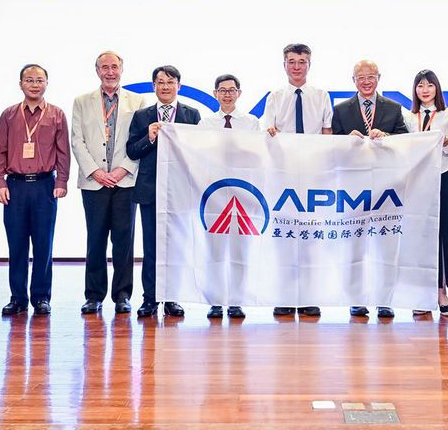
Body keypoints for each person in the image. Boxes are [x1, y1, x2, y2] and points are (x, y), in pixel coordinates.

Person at [71, 51, 147, 316]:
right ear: (97, 71)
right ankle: (93, 296)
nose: (110, 72)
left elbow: (140, 140)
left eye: (114, 66)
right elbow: (77, 140)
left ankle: (123, 295)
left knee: (124, 241)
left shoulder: (137, 100)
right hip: (94, 182)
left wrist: (122, 169)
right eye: (105, 67)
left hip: (125, 181)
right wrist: (96, 172)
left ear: (122, 69)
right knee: (95, 240)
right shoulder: (82, 101)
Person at [0, 64, 70, 316]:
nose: (34, 85)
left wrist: (62, 181)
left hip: (45, 186)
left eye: (39, 80)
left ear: (46, 83)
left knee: (43, 244)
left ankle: (41, 297)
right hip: (14, 187)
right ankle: (17, 298)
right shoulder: (8, 115)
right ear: (20, 84)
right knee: (16, 245)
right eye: (29, 80)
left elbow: (63, 152)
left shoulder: (56, 114)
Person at [332, 60, 408, 319]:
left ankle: (385, 299)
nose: (366, 81)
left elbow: (405, 141)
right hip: (353, 187)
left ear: (379, 77)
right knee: (354, 244)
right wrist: (346, 141)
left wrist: (387, 138)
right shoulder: (341, 110)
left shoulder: (393, 108)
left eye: (371, 76)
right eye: (360, 77)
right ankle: (355, 299)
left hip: (385, 185)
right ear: (353, 80)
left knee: (385, 244)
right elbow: (331, 147)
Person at [262, 42, 332, 317]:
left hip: (313, 175)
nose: (297, 66)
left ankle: (307, 297)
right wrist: (270, 134)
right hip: (284, 176)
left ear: (309, 65)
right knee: (285, 237)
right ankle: (285, 295)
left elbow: (327, 134)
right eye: (291, 61)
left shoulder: (321, 96)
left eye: (302, 61)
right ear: (284, 65)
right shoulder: (275, 97)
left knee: (310, 238)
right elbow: (267, 132)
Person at [126, 65, 201, 318]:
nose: (165, 87)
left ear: (179, 86)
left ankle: (172, 298)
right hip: (150, 190)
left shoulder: (192, 114)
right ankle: (150, 298)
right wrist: (149, 137)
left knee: (176, 247)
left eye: (170, 82)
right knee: (151, 247)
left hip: (180, 191)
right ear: (153, 86)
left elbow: (199, 152)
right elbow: (131, 151)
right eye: (160, 82)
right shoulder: (142, 116)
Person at [404, 70, 448, 317]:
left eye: (429, 85)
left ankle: (442, 293)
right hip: (418, 180)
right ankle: (422, 294)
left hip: (443, 176)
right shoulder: (409, 117)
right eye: (420, 86)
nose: (425, 90)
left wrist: (446, 142)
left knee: (444, 236)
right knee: (420, 237)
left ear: (437, 88)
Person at [201, 74, 260, 319]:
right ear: (215, 94)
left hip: (242, 193)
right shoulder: (205, 124)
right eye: (222, 90)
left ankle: (236, 301)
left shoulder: (251, 123)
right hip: (214, 194)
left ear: (239, 93)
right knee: (214, 252)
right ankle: (215, 301)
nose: (227, 94)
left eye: (231, 90)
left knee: (239, 252)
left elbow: (257, 155)